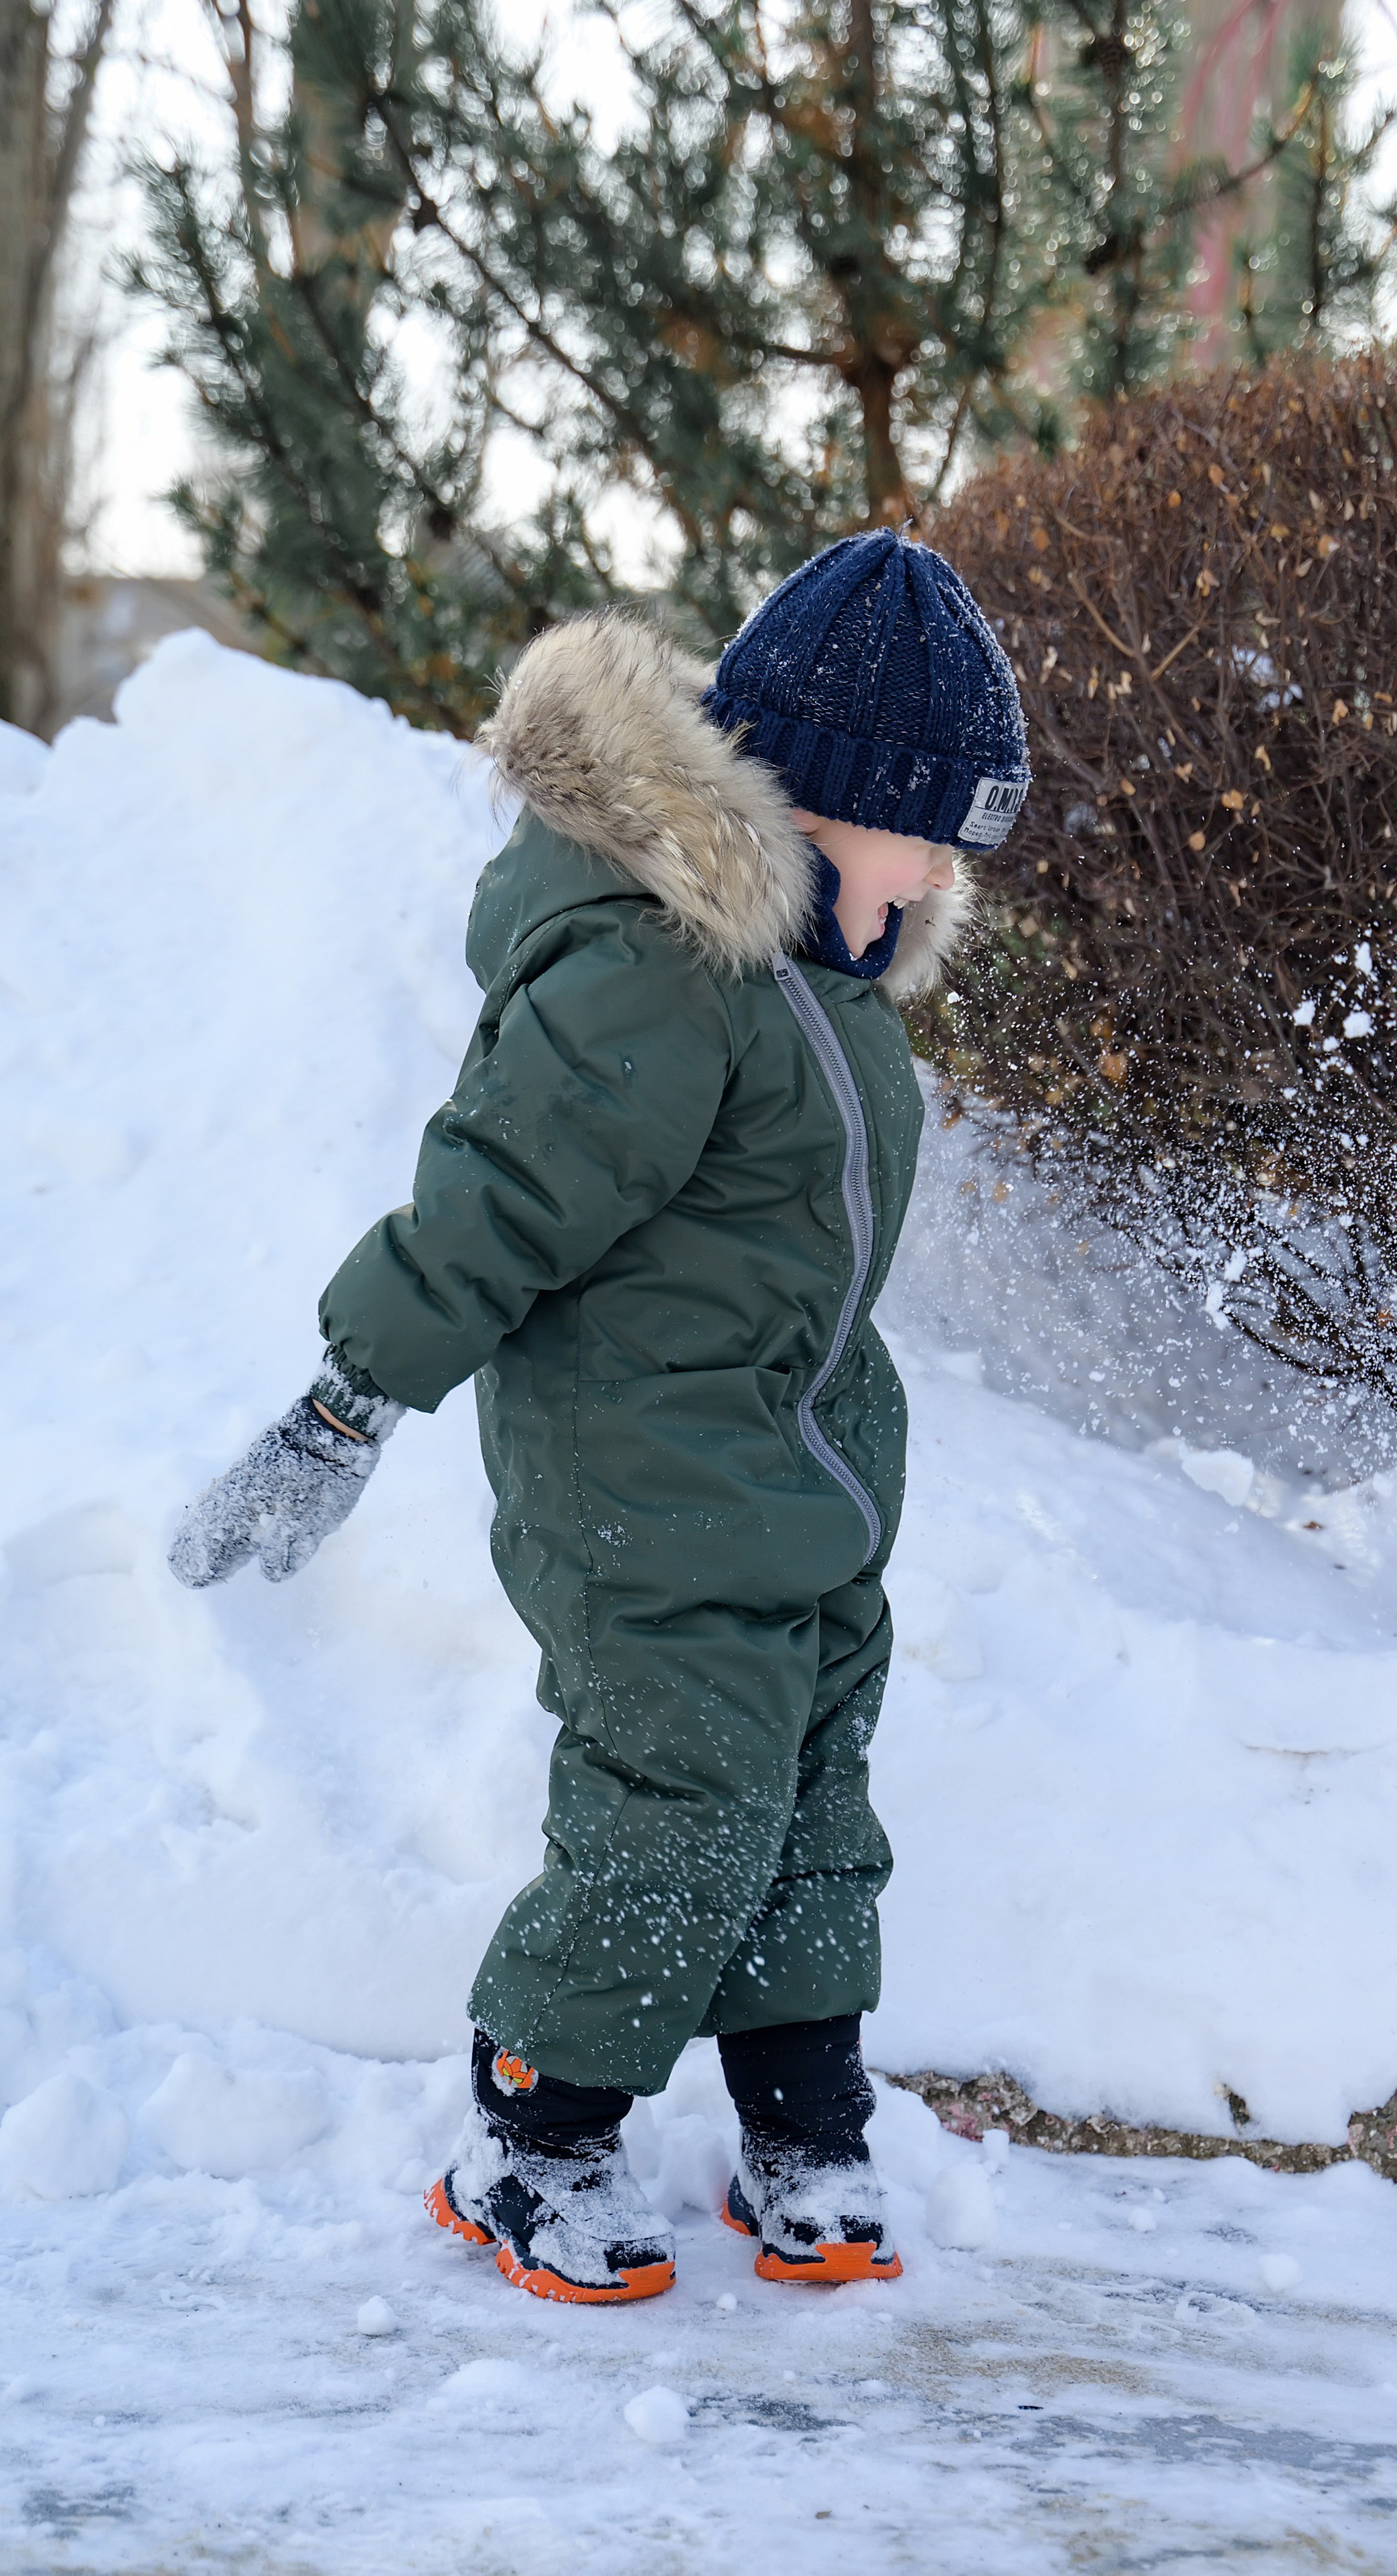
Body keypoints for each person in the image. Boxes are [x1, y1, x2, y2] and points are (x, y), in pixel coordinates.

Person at [169, 528, 1030, 2304]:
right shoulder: (658, 977)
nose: (946, 864)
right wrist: (345, 1406)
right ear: (824, 800)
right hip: (636, 1481)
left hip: (798, 1483)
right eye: (930, 818)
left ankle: (803, 2121)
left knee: (808, 1796)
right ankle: (534, 2137)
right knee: (680, 1802)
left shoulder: (822, 985)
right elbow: (489, 1202)